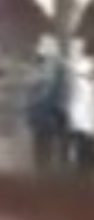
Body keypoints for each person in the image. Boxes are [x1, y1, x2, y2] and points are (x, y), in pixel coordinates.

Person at [25, 37, 69, 173]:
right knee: (45, 145)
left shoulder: (51, 65)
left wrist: (33, 102)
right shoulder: (57, 65)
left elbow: (45, 90)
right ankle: (46, 171)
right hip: (50, 111)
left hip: (46, 111)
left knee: (43, 145)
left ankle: (44, 172)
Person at [66, 51, 94, 176]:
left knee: (85, 142)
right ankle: (86, 166)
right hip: (84, 123)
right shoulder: (86, 84)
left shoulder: (87, 83)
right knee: (85, 142)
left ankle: (86, 166)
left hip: (84, 123)